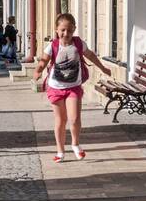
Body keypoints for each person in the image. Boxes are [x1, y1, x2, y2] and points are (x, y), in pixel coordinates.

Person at [34, 12, 110, 161]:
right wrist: (37, 71)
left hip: (73, 87)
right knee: (60, 120)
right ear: (57, 30)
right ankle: (60, 151)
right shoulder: (53, 45)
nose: (66, 33)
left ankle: (75, 144)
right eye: (62, 30)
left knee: (74, 118)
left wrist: (102, 68)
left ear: (74, 29)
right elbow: (43, 60)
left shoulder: (79, 44)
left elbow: (91, 56)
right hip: (55, 87)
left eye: (69, 30)